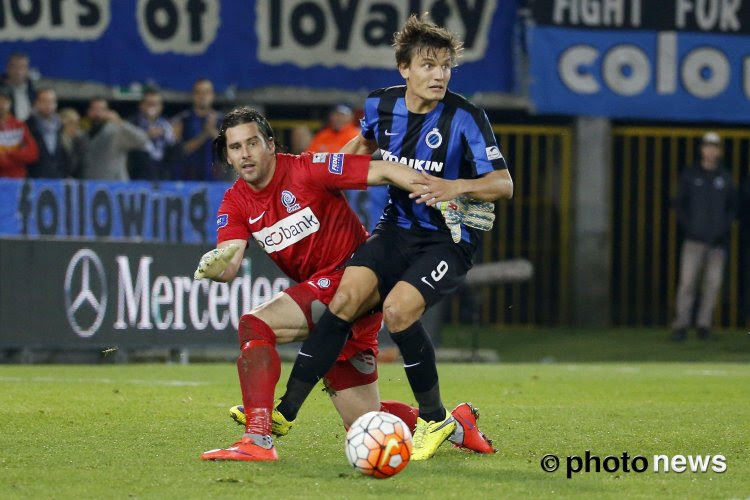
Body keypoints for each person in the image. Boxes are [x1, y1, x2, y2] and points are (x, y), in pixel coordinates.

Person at [272, 14, 513, 461]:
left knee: (398, 311)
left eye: (445, 67)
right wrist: (322, 186)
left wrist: (454, 188)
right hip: (394, 231)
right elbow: (358, 153)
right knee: (344, 300)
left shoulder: (466, 117)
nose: (438, 74)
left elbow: (503, 183)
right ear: (404, 68)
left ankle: (436, 418)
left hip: (447, 242)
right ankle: (283, 413)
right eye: (428, 65)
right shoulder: (380, 107)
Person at [197, 107, 494, 461]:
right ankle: (456, 424)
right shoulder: (236, 200)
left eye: (252, 143)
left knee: (255, 324)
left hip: (353, 280)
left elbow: (381, 169)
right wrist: (215, 265)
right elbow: (228, 262)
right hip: (338, 305)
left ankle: (258, 439)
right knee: (365, 426)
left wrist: (439, 190)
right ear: (228, 156)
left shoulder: (308, 168)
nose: (245, 154)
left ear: (271, 145)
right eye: (235, 147)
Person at [671, 131, 737, 341]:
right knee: (687, 283)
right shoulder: (690, 175)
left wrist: (723, 229)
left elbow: (732, 208)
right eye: (707, 146)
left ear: (719, 151)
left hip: (718, 243)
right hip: (693, 240)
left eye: (714, 146)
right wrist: (689, 228)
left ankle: (703, 326)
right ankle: (680, 326)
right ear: (702, 149)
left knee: (712, 285)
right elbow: (678, 204)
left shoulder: (725, 177)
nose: (710, 150)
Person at [80, 97, 149, 180]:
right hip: (92, 186)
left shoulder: (116, 131)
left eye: (102, 109)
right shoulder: (83, 135)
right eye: (94, 109)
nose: (98, 113)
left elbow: (142, 140)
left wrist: (120, 122)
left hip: (115, 187)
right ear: (89, 111)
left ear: (108, 112)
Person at [171, 79, 223, 181]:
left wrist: (212, 132)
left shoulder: (223, 121)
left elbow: (228, 151)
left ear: (212, 95)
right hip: (188, 181)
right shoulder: (182, 120)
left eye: (207, 92)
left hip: (215, 182)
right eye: (199, 92)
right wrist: (205, 134)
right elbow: (180, 151)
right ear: (193, 95)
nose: (202, 96)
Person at [128, 87, 176, 180]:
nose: (152, 107)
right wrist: (146, 135)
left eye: (155, 104)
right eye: (149, 104)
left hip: (162, 175)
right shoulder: (132, 124)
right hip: (138, 175)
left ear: (161, 107)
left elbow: (172, 150)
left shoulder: (167, 125)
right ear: (141, 105)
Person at [25, 87, 73, 178]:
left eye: (51, 101)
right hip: (34, 180)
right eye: (44, 101)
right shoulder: (27, 126)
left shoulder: (61, 127)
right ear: (36, 103)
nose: (48, 105)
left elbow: (67, 156)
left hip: (58, 180)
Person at [0, 84, 38, 177]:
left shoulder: (19, 125)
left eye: (5, 101)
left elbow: (33, 153)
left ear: (10, 103)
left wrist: (9, 153)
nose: (1, 104)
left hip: (17, 180)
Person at [1, 53, 35, 121]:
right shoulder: (1, 89)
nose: (18, 71)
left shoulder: (32, 89)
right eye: (15, 67)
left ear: (27, 69)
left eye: (22, 67)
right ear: (8, 68)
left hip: (29, 128)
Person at [58, 107, 85, 179]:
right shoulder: (56, 139)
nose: (75, 126)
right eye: (71, 122)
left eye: (77, 123)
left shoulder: (80, 140)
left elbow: (80, 163)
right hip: (59, 179)